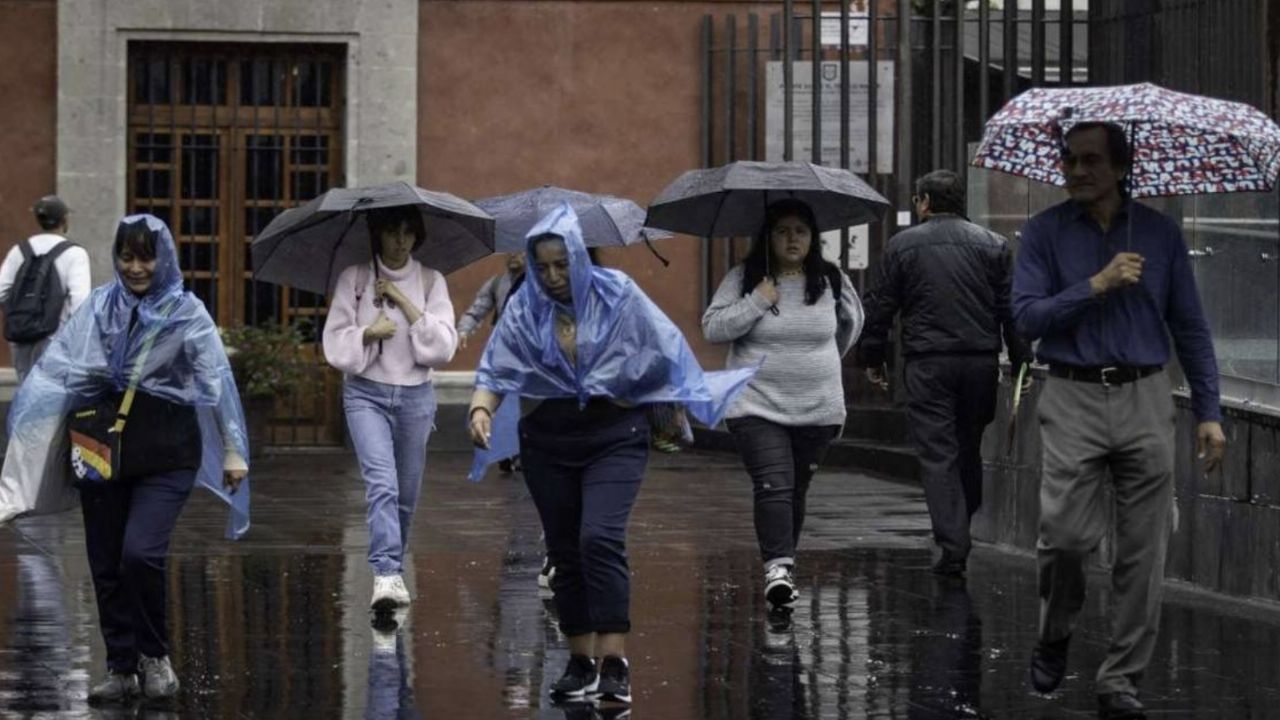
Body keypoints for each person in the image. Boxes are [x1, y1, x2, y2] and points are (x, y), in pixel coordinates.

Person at [467, 203, 753, 706]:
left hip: (614, 434)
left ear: (579, 257)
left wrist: (632, 388)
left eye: (562, 264)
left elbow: (665, 352)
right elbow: (496, 370)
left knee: (599, 536)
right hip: (548, 439)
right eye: (544, 266)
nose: (553, 276)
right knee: (564, 550)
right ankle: (579, 663)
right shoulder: (525, 306)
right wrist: (480, 411)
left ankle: (614, 661)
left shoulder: (617, 293)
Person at [1013, 121, 1226, 720]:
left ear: (1122, 167)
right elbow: (1027, 318)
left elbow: (1191, 326)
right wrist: (1096, 285)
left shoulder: (1158, 234)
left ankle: (1121, 680)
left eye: (1091, 161)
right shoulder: (1043, 233)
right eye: (1070, 160)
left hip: (1145, 397)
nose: (1077, 171)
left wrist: (1209, 411)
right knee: (1065, 539)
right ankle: (1055, 633)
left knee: (1144, 550)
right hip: (1072, 394)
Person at [0, 214, 250, 705]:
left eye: (146, 256)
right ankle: (121, 668)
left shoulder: (187, 313)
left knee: (141, 553)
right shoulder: (98, 308)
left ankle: (154, 657)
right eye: (126, 256)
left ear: (165, 258)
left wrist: (235, 448)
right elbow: (62, 369)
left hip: (167, 454)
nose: (136, 267)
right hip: (101, 451)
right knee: (106, 562)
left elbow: (214, 382)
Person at [856, 169, 1031, 577]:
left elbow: (881, 308)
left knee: (938, 453)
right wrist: (1022, 360)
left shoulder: (903, 246)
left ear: (924, 203)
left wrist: (872, 357)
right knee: (968, 446)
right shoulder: (993, 245)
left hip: (928, 362)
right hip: (979, 363)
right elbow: (1011, 310)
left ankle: (953, 544)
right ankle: (961, 522)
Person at [701, 198, 864, 611]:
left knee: (796, 489)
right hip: (756, 404)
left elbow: (850, 326)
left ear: (813, 238)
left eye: (801, 231)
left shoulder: (831, 279)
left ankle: (782, 565)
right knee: (774, 482)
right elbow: (713, 328)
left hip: (817, 407)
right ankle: (778, 569)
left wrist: (822, 363)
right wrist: (756, 301)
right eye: (783, 231)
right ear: (768, 238)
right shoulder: (744, 277)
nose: (793, 239)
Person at [322, 205, 458, 613]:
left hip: (416, 397)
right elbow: (334, 341)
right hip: (366, 394)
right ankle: (384, 573)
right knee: (382, 483)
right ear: (377, 234)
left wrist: (401, 299)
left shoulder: (432, 281)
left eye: (407, 233)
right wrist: (369, 332)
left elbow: (444, 346)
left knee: (406, 493)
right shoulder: (356, 279)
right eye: (392, 233)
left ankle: (394, 569)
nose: (400, 242)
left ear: (417, 236)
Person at [0, 195, 91, 380]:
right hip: (56, 336)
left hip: (21, 336)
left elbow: (2, 290)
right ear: (65, 220)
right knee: (52, 393)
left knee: (24, 389)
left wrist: (20, 313)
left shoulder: (19, 250)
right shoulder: (75, 253)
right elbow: (80, 301)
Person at [457, 251, 526, 347]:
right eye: (509, 251)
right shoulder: (497, 283)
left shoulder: (540, 284)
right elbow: (475, 312)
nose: (513, 255)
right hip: (505, 345)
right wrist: (463, 331)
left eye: (519, 251)